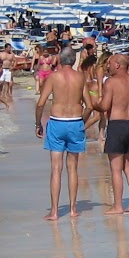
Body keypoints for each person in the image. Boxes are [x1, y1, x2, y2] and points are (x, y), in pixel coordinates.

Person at [35, 47, 90, 219]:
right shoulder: (80, 77)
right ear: (73, 60)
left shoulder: (53, 77)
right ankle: (73, 209)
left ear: (59, 59)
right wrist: (82, 123)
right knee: (72, 168)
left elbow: (40, 103)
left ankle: (54, 211)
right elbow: (89, 106)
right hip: (75, 122)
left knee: (56, 169)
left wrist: (38, 124)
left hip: (57, 123)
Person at [99, 54, 129, 213]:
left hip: (117, 124)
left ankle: (118, 205)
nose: (107, 66)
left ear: (118, 65)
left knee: (116, 168)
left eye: (110, 63)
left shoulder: (111, 82)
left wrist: (93, 103)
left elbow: (105, 106)